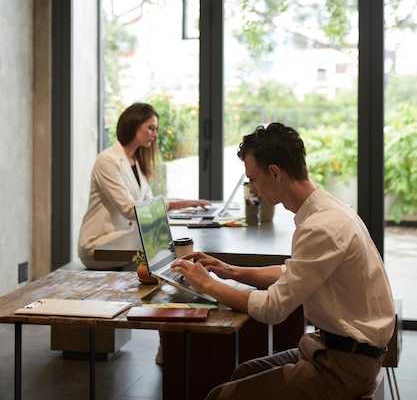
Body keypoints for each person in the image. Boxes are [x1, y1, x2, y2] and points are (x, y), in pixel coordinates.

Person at [171, 122, 395, 400]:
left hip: (344, 366)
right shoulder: (328, 209)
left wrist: (208, 285)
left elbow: (273, 309)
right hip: (334, 349)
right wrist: (230, 271)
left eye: (252, 179)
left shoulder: (321, 227)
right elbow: (292, 272)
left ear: (275, 172)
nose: (252, 189)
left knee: (219, 396)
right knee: (243, 373)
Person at [78, 102, 211, 270]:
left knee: (168, 245)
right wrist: (177, 204)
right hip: (99, 244)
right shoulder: (107, 160)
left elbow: (149, 202)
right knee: (163, 251)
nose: (155, 134)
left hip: (122, 240)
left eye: (155, 129)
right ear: (134, 126)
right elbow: (128, 209)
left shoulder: (135, 161)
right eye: (151, 128)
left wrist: (186, 202)